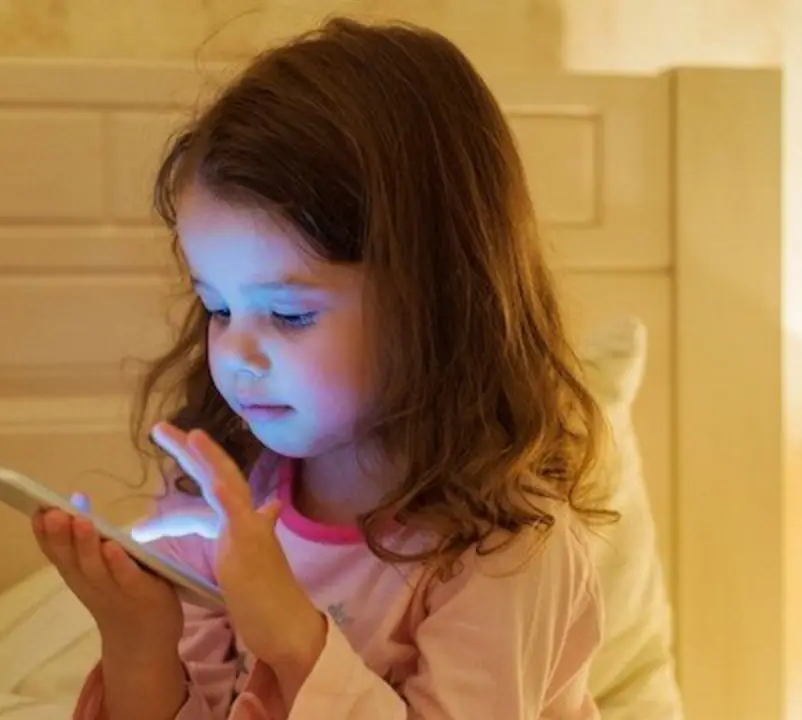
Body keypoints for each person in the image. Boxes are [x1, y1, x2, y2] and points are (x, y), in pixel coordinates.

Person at [31, 16, 619, 720]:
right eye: (216, 308)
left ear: (434, 297)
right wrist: (138, 639)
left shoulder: (505, 550)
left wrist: (294, 639)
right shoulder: (224, 493)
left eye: (289, 315)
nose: (237, 355)